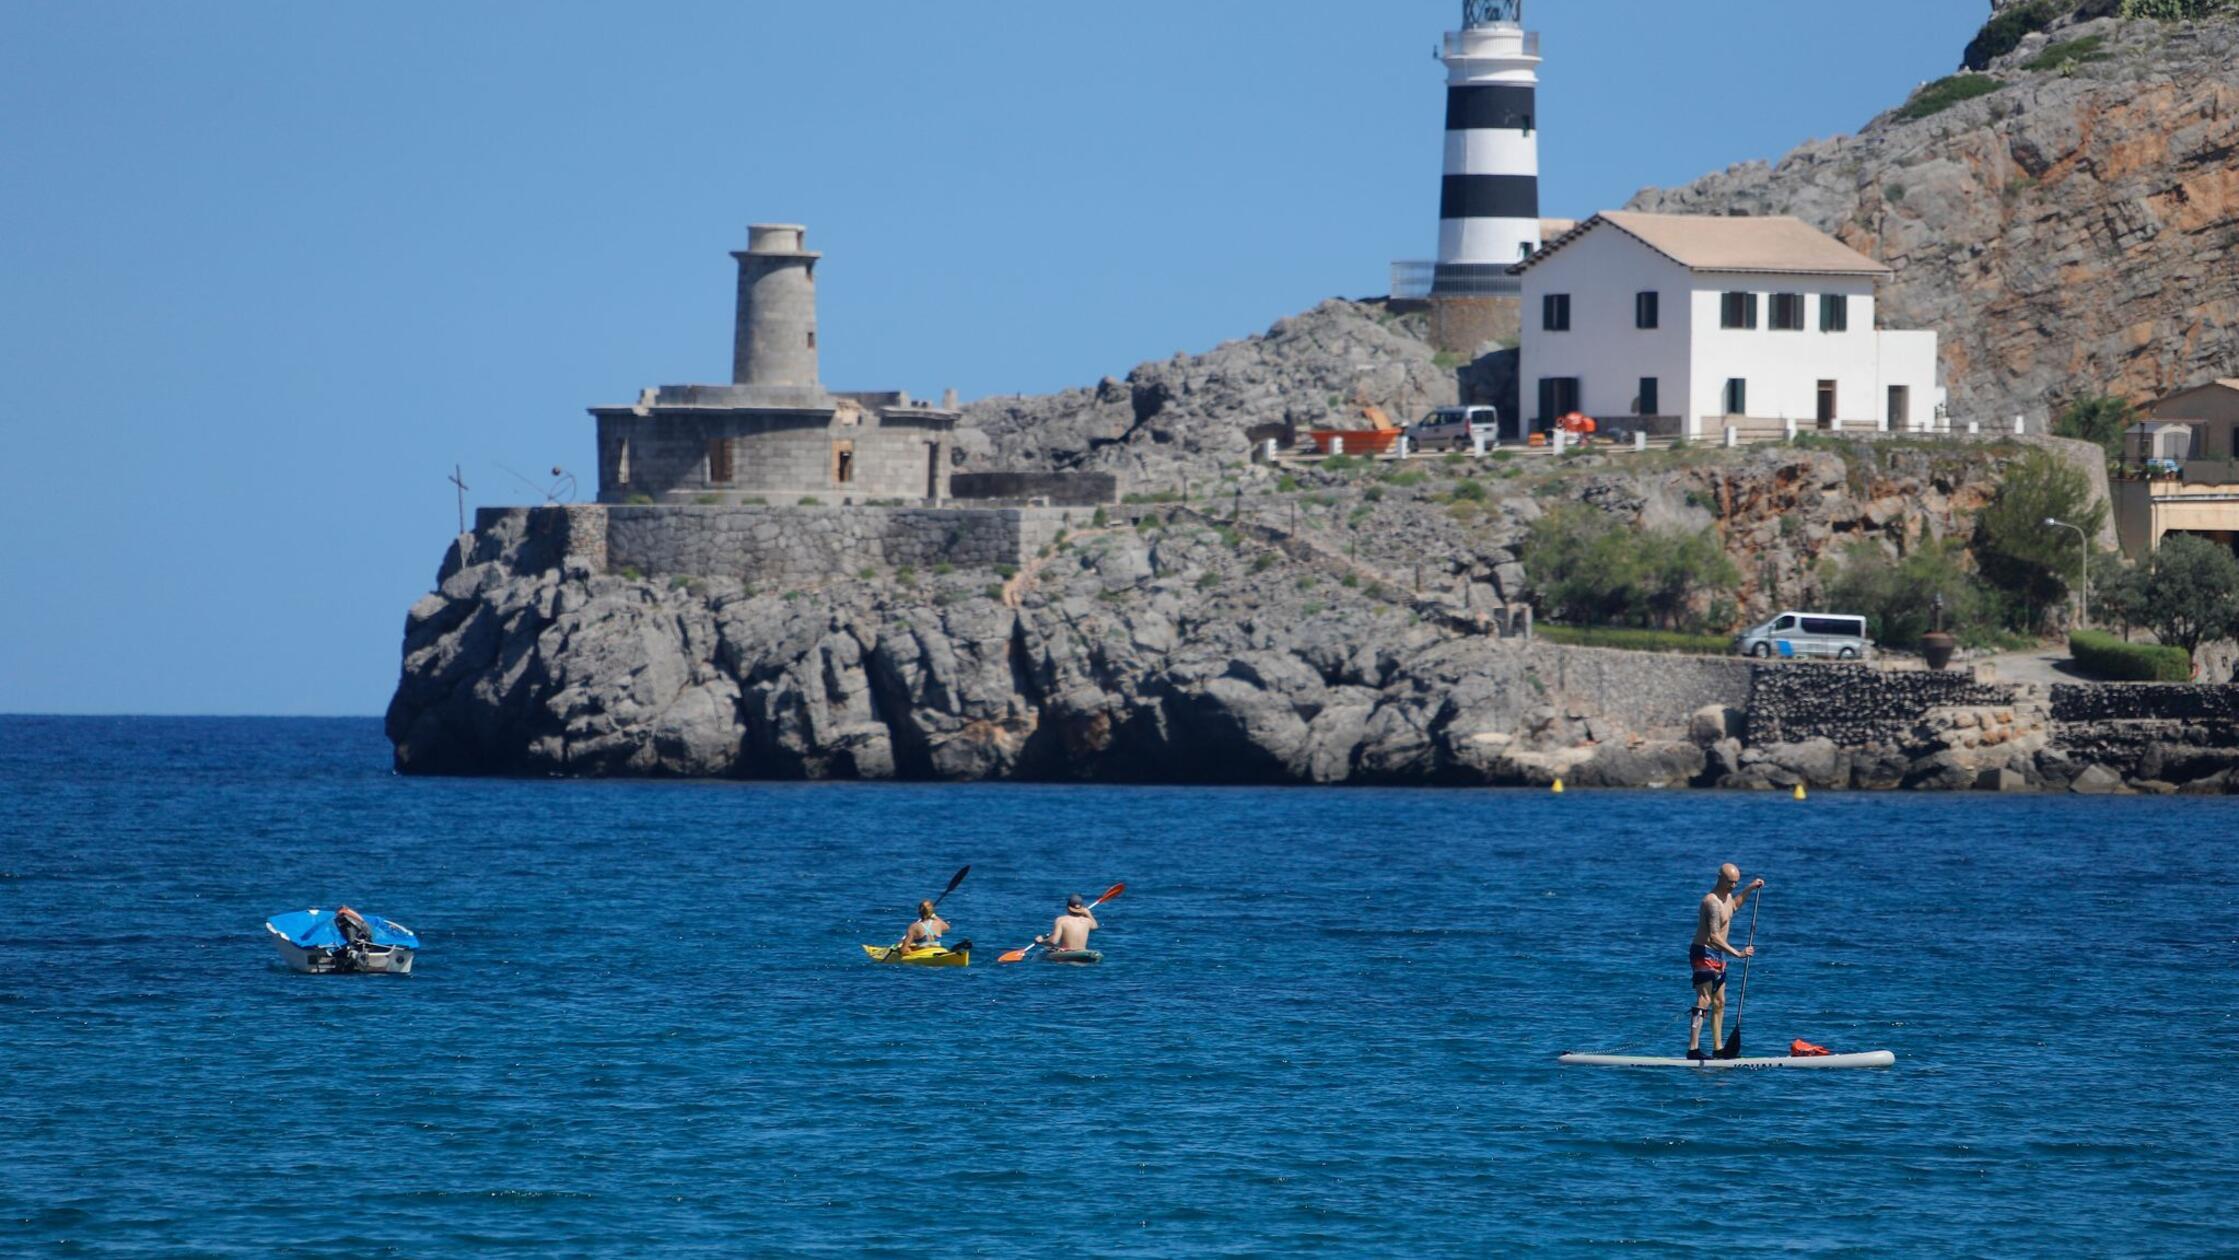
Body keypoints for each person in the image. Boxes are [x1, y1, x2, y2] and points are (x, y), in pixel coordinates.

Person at [1688, 864, 1765, 1061]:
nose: (1732, 886)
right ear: (1719, 878)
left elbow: (1735, 906)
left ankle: (1718, 1048)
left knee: (1720, 1002)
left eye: (1735, 883)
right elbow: (1713, 937)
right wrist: (1737, 953)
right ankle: (1693, 1049)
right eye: (1730, 882)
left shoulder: (1728, 897)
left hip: (1719, 956)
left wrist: (1749, 888)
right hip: (1704, 952)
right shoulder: (1711, 902)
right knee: (1704, 1000)